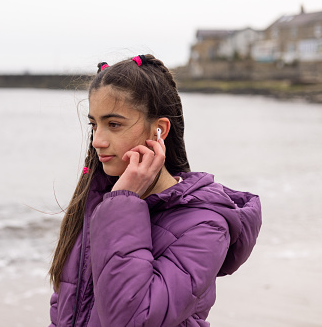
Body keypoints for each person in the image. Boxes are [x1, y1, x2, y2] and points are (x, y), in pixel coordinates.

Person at [47, 54, 262, 327]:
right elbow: (65, 308)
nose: (97, 141)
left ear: (159, 131)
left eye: (114, 124)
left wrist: (123, 202)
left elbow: (132, 319)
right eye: (94, 124)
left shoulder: (206, 226)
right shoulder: (99, 206)